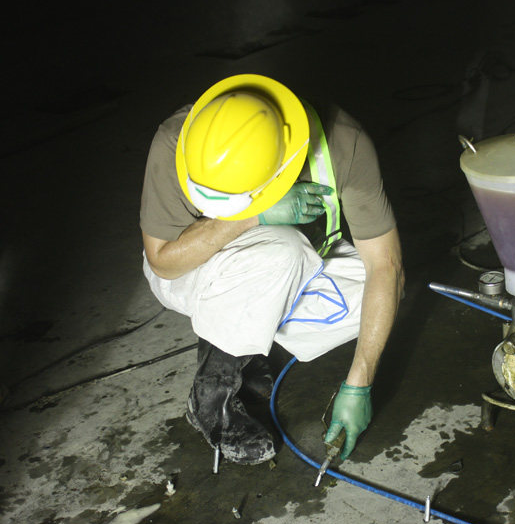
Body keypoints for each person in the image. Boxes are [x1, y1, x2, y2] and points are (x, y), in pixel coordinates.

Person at [139, 74, 405, 465]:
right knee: (282, 250)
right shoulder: (175, 139)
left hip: (282, 266)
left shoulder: (343, 142)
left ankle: (249, 347)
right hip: (190, 270)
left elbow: (386, 266)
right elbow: (163, 262)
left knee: (374, 296)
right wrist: (251, 216)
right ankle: (210, 397)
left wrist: (359, 383)